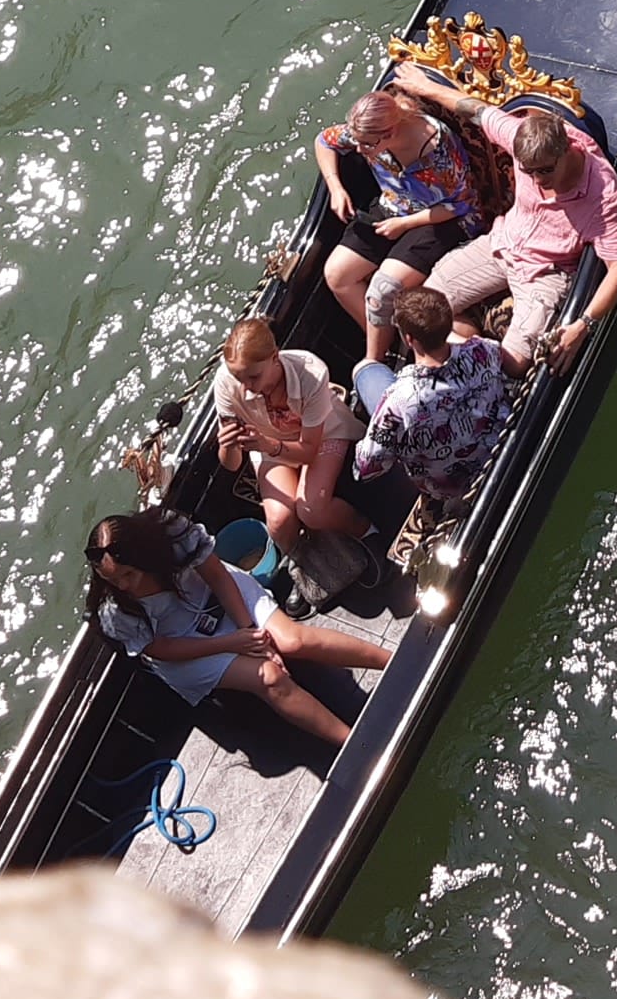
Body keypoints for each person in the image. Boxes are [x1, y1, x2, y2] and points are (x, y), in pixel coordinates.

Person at [82, 504, 389, 747]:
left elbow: (217, 576)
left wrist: (252, 635)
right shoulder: (112, 608)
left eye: (129, 574)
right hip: (184, 644)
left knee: (292, 640)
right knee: (269, 678)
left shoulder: (171, 531)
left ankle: (391, 661)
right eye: (113, 580)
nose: (123, 586)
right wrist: (231, 644)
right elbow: (160, 649)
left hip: (218, 594)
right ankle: (352, 743)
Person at [384, 60, 617, 361]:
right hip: (501, 243)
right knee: (428, 308)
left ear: (566, 149)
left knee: (515, 363)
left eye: (545, 171)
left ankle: (482, 358)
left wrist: (583, 324)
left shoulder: (601, 193)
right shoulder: (519, 136)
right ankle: (476, 350)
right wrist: (426, 87)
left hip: (546, 271)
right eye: (529, 171)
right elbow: (477, 110)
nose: (537, 180)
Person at [310, 88, 481, 364]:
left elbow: (461, 204)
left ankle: (374, 361)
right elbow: (324, 141)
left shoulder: (436, 149)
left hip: (441, 219)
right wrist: (335, 187)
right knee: (337, 274)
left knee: (383, 288)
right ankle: (388, 346)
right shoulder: (366, 135)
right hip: (394, 206)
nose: (359, 150)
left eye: (367, 145)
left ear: (389, 133)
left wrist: (404, 224)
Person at [351, 285, 530, 505]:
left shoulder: (397, 404)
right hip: (506, 445)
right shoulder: (482, 351)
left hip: (461, 488)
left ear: (409, 340)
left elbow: (366, 468)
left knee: (365, 370)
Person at [209, 316, 366, 555]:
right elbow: (232, 465)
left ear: (275, 357)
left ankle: (366, 532)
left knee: (312, 510)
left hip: (322, 435)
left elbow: (309, 451)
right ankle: (304, 559)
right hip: (268, 442)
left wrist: (268, 445)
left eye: (254, 377)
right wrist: (227, 445)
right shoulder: (225, 384)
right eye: (239, 379)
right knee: (278, 524)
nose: (246, 388)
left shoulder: (310, 373)